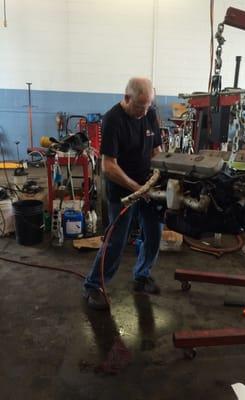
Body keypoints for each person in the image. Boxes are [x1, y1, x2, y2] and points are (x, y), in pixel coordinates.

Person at [83, 77, 163, 310]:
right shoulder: (113, 120)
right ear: (127, 98)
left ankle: (142, 275)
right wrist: (137, 189)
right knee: (116, 240)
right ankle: (93, 286)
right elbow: (109, 166)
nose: (144, 111)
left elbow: (157, 150)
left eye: (148, 106)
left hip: (148, 185)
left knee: (154, 234)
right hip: (122, 188)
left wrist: (162, 174)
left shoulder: (149, 113)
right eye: (140, 106)